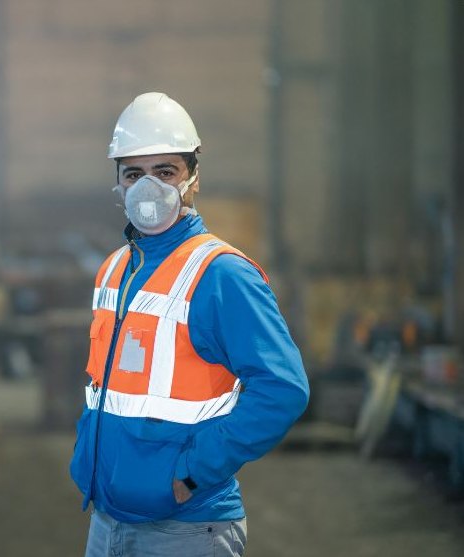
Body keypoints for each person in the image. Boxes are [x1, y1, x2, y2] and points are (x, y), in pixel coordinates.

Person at [70, 92, 310, 557]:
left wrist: (192, 472)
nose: (147, 187)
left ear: (193, 179)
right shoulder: (117, 268)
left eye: (165, 172)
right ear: (117, 184)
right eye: (133, 173)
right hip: (107, 520)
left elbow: (283, 388)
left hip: (185, 529)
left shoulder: (221, 274)